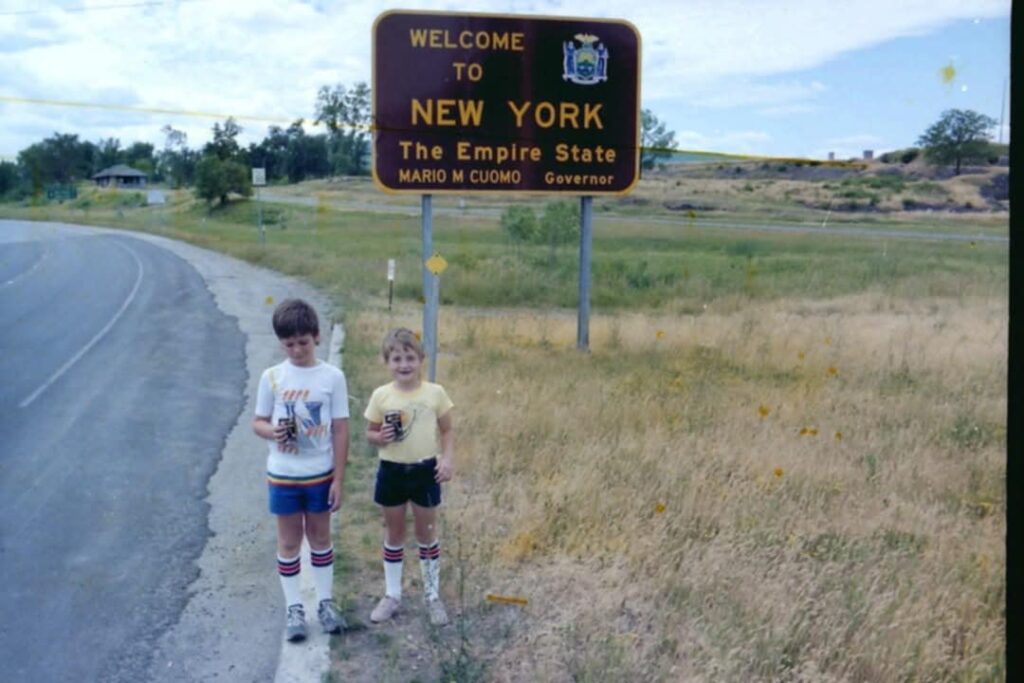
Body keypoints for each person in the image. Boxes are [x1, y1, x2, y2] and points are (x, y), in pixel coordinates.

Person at [252, 298, 349, 642]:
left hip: (319, 474)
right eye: (288, 344)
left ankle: (325, 602)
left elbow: (340, 428)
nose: (296, 350)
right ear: (281, 343)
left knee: (320, 538)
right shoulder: (273, 377)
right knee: (289, 541)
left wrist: (338, 477)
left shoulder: (332, 377)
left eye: (303, 343)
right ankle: (294, 607)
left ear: (317, 337)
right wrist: (273, 431)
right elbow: (258, 422)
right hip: (284, 475)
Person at [364, 328, 454, 626]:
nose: (404, 365)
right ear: (387, 362)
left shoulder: (435, 393)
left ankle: (432, 595)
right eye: (397, 359)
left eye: (410, 358)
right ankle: (392, 595)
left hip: (424, 470)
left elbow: (447, 430)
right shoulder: (382, 395)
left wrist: (448, 459)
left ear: (421, 359)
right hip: (392, 470)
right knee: (394, 532)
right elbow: (370, 432)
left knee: (427, 532)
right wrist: (380, 436)